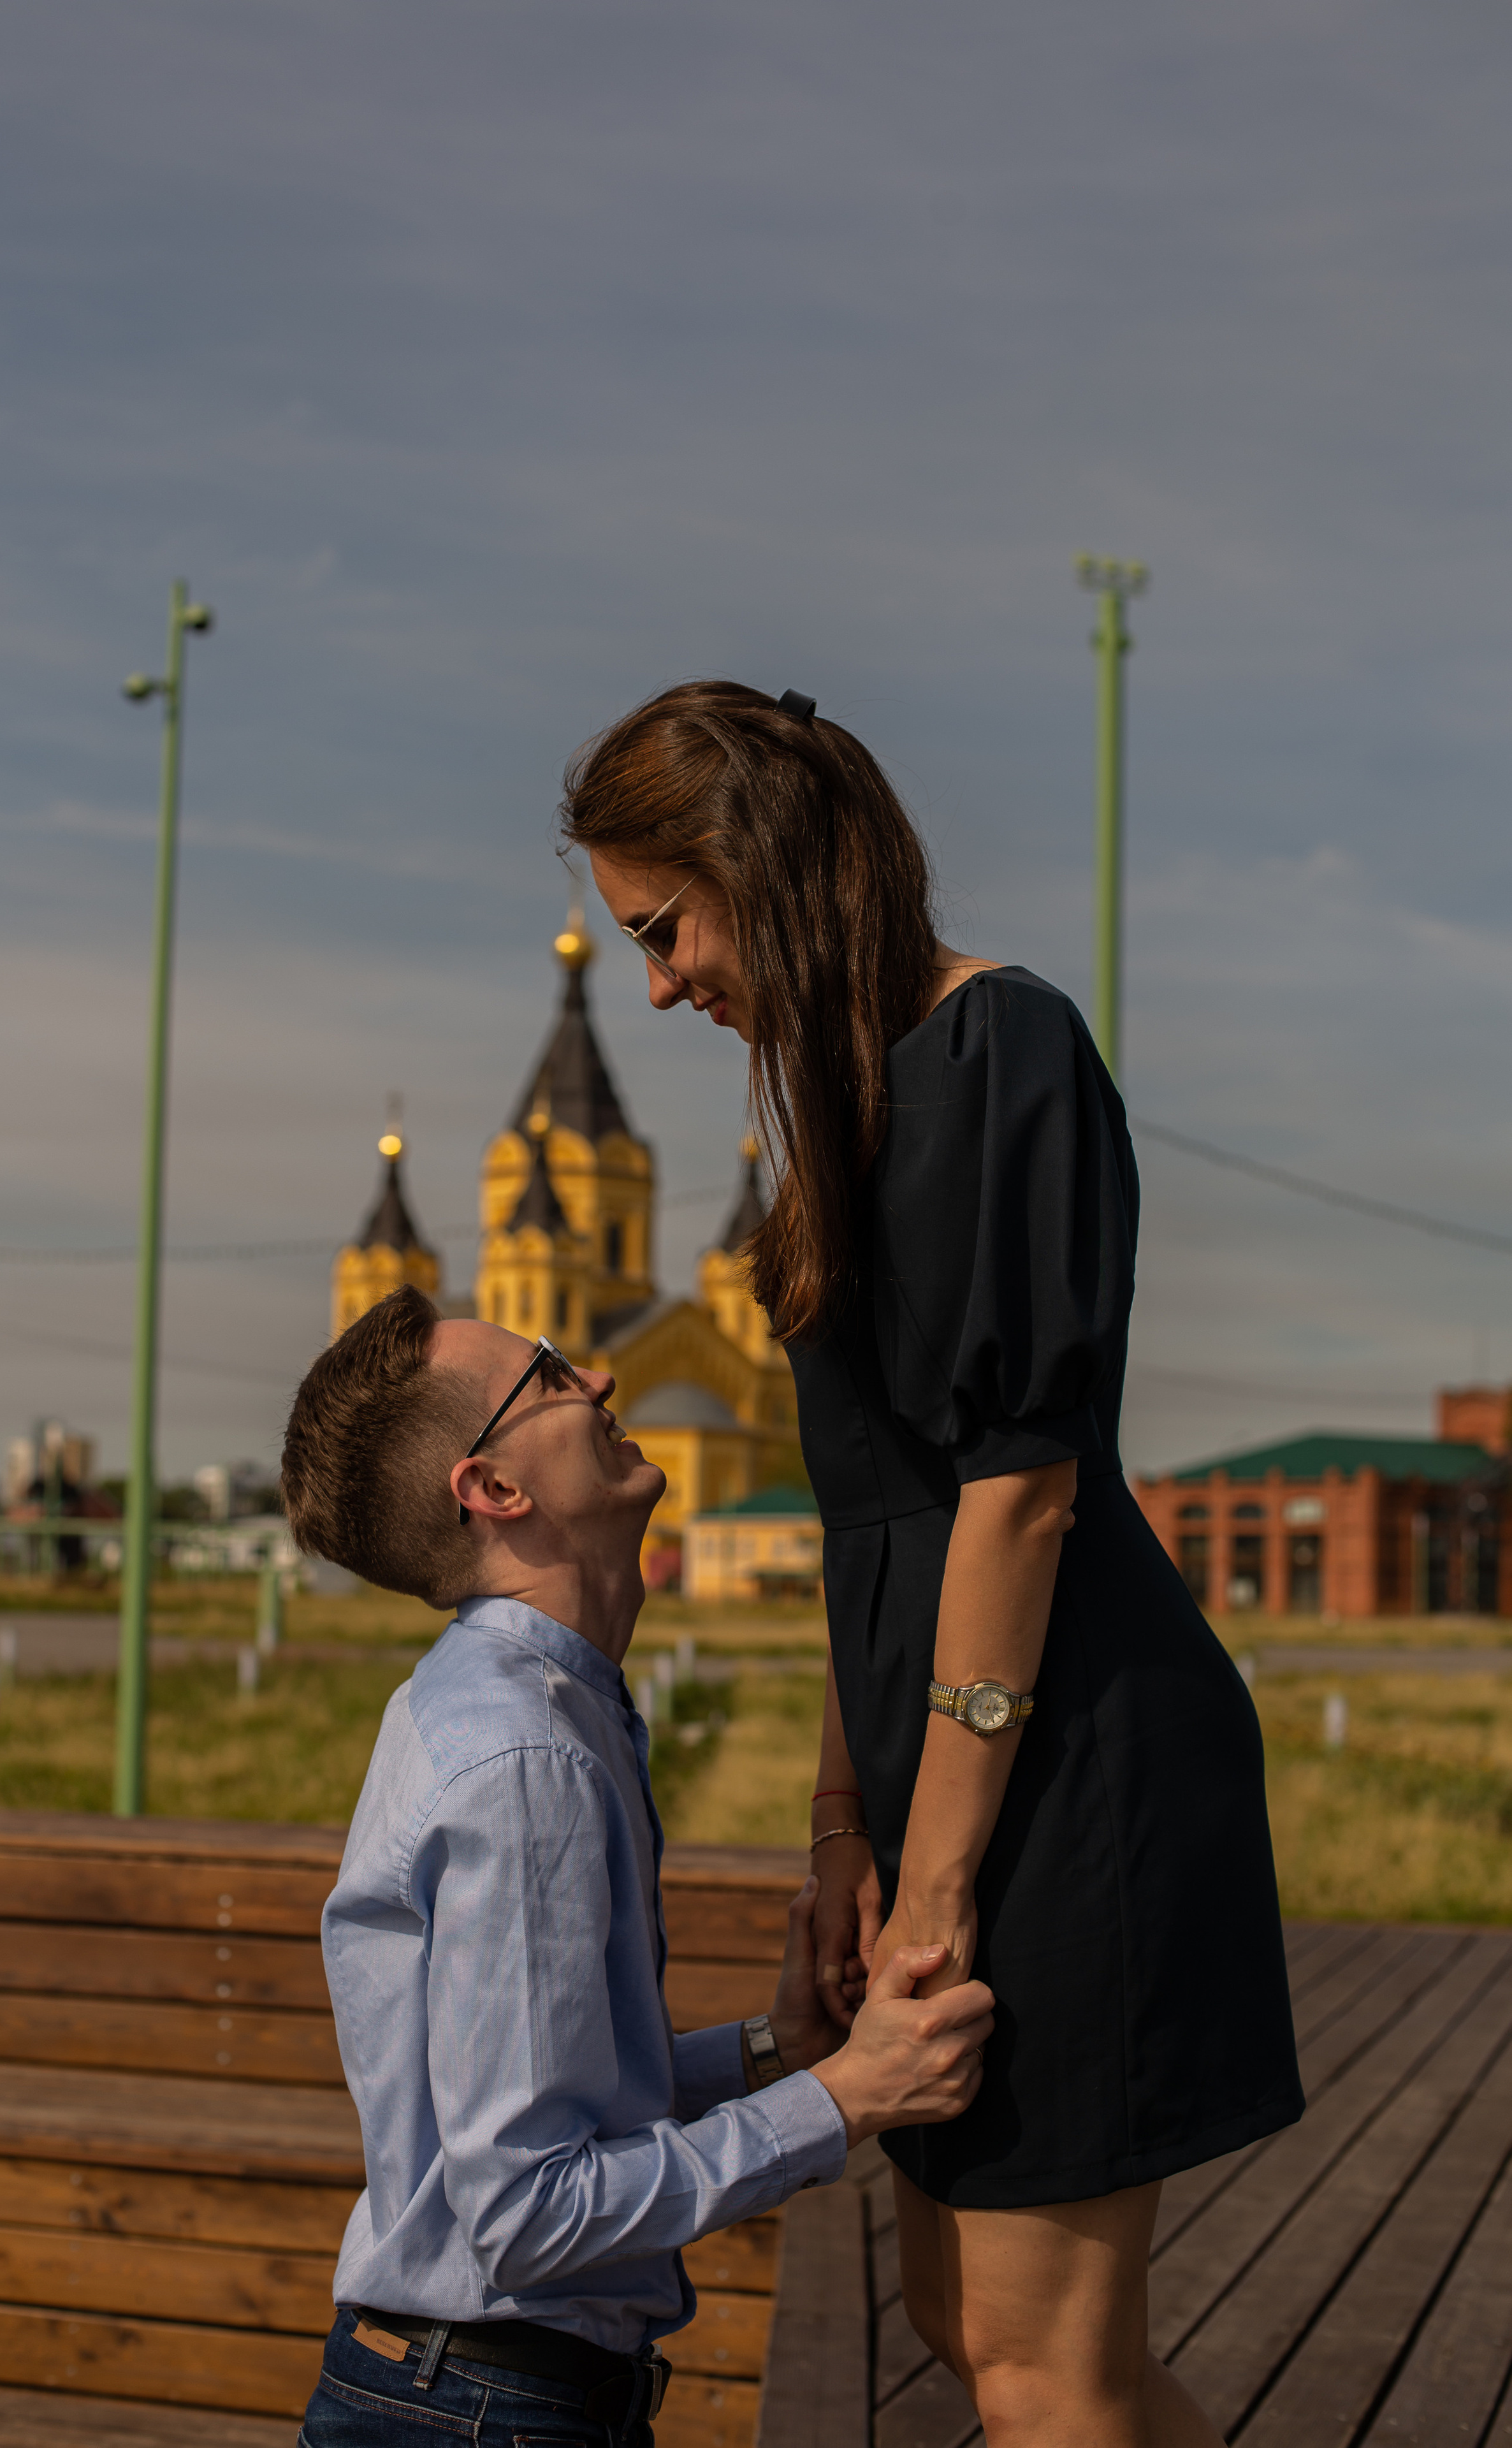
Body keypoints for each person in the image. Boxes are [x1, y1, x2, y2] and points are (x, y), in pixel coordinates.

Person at [567, 680, 1304, 2448]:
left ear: (758, 860)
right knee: (975, 2328)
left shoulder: (1002, 1048)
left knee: (1046, 2364)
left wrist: (946, 1879)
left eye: (664, 928)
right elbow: (868, 1528)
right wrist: (848, 1843)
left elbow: (1017, 1500)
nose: (659, 983)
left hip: (1075, 1774)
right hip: (957, 1786)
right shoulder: (861, 1111)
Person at [280, 1285, 994, 2448]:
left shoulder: (518, 1706)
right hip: (488, 2413)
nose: (599, 1379)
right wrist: (847, 2099)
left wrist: (775, 2054)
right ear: (496, 1491)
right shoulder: (526, 1759)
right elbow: (528, 2213)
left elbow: (547, 2099)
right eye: (552, 1375)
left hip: (461, 2396)